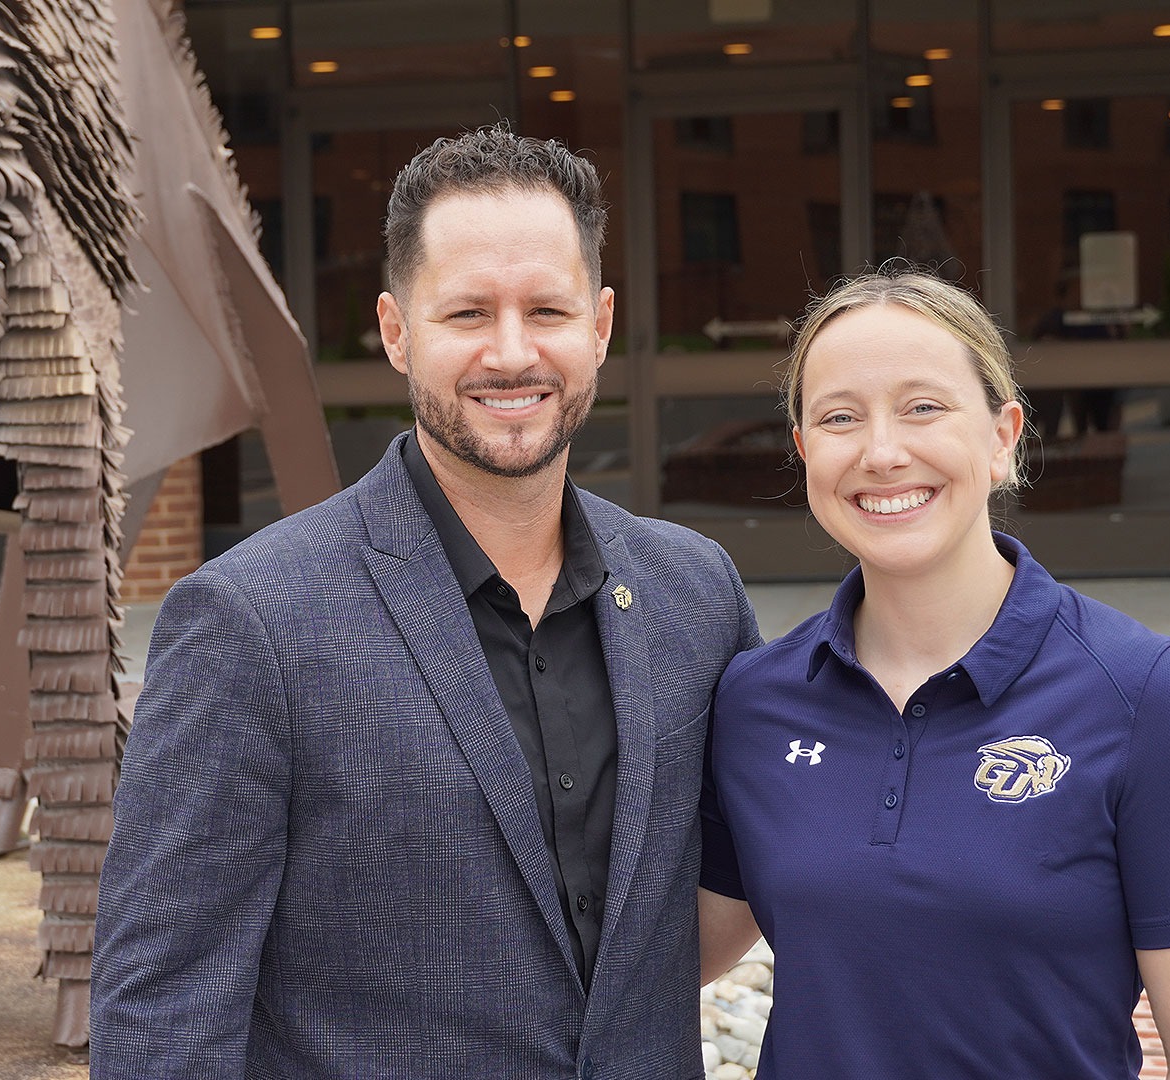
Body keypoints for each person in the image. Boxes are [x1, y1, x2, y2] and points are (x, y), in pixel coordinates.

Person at [90, 124, 761, 1077]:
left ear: (601, 326)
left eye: (548, 310)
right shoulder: (248, 623)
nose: (513, 352)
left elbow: (714, 903)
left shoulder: (695, 595)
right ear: (397, 332)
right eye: (467, 315)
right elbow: (164, 1008)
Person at [697, 270, 1170, 1078]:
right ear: (803, 453)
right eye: (839, 418)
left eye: (924, 406)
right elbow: (671, 950)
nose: (882, 451)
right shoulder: (756, 701)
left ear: (1004, 435)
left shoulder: (1145, 695)